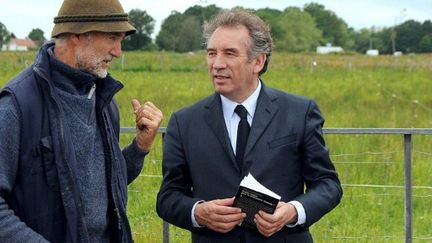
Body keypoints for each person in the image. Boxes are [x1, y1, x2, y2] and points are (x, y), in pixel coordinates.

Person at [156, 9, 342, 242]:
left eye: (230, 53)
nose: (217, 64)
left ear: (258, 61)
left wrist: (293, 211)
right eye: (212, 53)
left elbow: (328, 185)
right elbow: (167, 198)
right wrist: (199, 213)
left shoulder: (299, 112)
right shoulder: (184, 122)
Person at [0, 0, 163, 242]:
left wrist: (140, 147)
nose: (118, 51)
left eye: (121, 41)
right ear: (76, 33)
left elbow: (104, 187)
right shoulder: (17, 106)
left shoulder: (106, 102)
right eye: (112, 38)